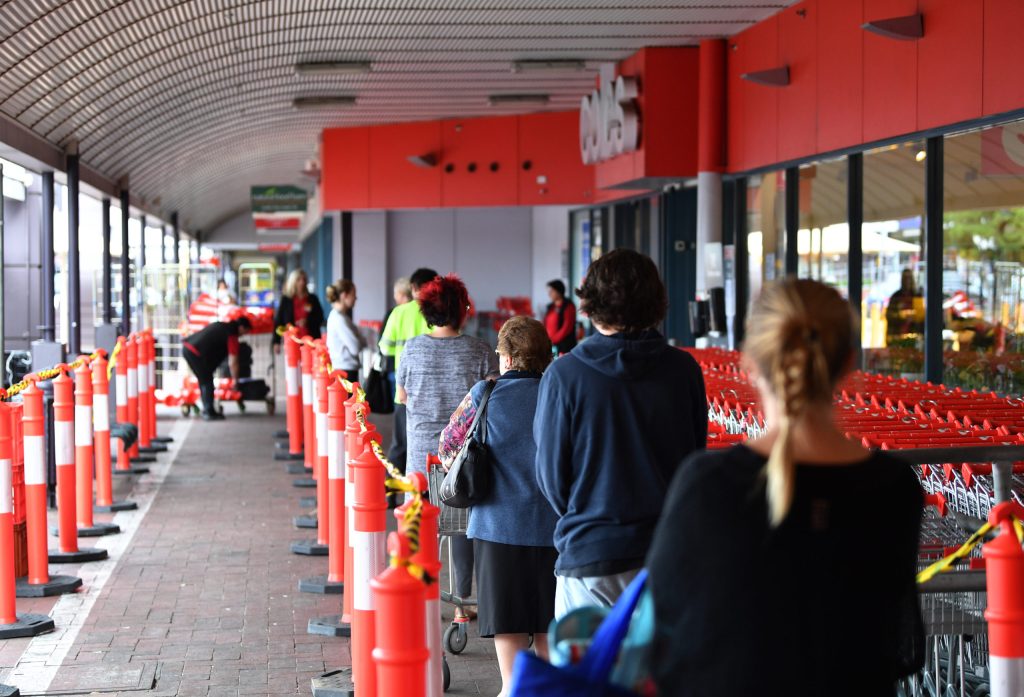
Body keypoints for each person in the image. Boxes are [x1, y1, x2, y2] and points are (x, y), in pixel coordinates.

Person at [646, 279, 924, 696]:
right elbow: (898, 641)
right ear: (848, 363)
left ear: (749, 364)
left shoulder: (708, 483)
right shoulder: (896, 487)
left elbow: (665, 622)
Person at [534, 249, 708, 616]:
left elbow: (551, 476)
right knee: (657, 673)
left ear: (589, 302)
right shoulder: (683, 371)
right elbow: (695, 457)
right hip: (665, 552)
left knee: (587, 673)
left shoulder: (565, 376)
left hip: (590, 553)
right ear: (657, 300)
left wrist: (589, 510)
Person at [438, 317, 558, 695]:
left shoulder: (484, 394)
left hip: (496, 526)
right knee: (549, 622)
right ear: (545, 355)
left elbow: (447, 449)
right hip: (553, 526)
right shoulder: (560, 393)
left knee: (507, 621)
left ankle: (512, 687)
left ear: (505, 357)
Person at [397, 274, 497, 619]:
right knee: (461, 527)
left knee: (416, 522)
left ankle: (414, 596)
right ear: (462, 311)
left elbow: (402, 397)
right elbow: (490, 400)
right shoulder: (480, 351)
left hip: (420, 457)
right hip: (462, 458)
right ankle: (461, 605)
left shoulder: (411, 348)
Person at [379, 268, 436, 473]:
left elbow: (385, 347)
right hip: (431, 392)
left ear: (413, 288)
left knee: (400, 444)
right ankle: (426, 493)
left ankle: (392, 491)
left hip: (403, 391)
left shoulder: (399, 312)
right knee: (430, 446)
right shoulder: (435, 312)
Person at [182, 316, 252, 421]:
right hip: (194, 352)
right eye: (246, 331)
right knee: (207, 380)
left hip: (189, 348)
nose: (244, 334)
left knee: (205, 379)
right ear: (241, 327)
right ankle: (208, 411)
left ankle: (207, 409)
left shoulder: (222, 326)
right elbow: (233, 362)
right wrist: (235, 380)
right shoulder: (231, 335)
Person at [272, 268, 324, 353]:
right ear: (293, 282)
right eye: (298, 280)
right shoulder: (286, 300)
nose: (302, 282)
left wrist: (308, 321)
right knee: (293, 365)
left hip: (311, 340)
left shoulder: (312, 299)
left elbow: (320, 317)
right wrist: (276, 341)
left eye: (304, 279)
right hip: (292, 341)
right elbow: (278, 321)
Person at [325, 279, 366, 378]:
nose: (355, 298)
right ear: (344, 295)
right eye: (353, 294)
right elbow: (355, 347)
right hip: (345, 370)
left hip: (345, 368)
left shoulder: (341, 317)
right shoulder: (339, 319)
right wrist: (361, 340)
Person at [381, 277, 413, 399]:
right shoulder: (424, 311)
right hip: (422, 373)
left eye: (395, 293)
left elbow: (385, 347)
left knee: (401, 410)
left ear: (401, 294)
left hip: (398, 369)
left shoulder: (396, 313)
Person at [885, 268, 924, 343]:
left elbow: (922, 317)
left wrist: (914, 316)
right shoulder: (896, 297)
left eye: (909, 278)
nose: (907, 281)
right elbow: (889, 315)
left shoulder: (917, 296)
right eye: (905, 278)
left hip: (914, 336)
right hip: (897, 336)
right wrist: (901, 315)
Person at [543, 279, 577, 355]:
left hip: (565, 346)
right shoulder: (550, 307)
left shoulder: (568, 305)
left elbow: (567, 328)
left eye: (552, 291)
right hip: (551, 345)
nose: (549, 294)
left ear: (559, 291)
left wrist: (553, 340)